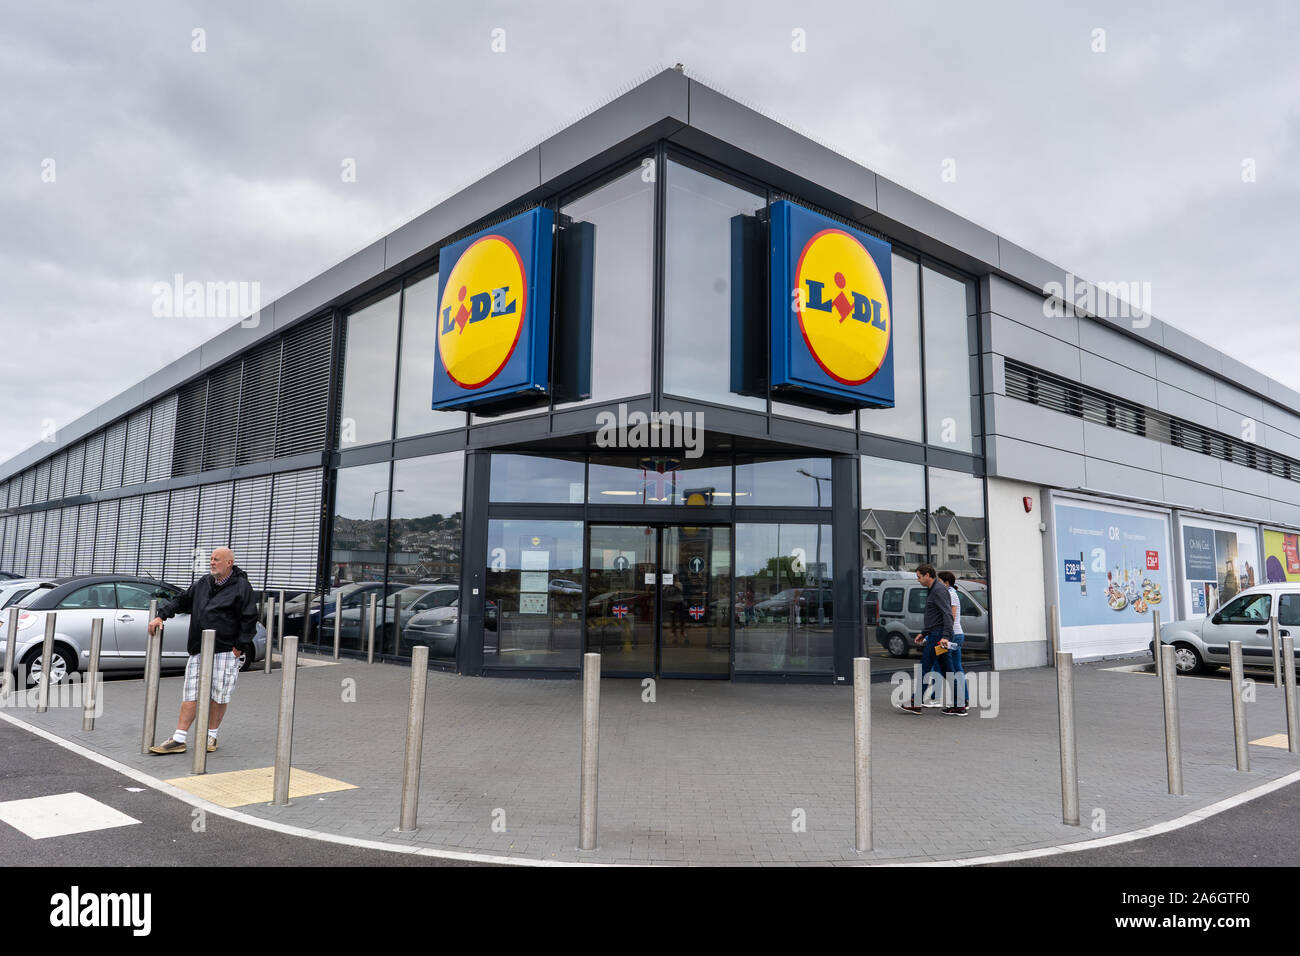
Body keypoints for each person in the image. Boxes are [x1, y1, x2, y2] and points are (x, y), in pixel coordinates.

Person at [147, 547, 258, 755]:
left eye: (217, 559)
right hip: (199, 648)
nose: (212, 562)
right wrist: (162, 615)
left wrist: (238, 648)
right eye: (211, 559)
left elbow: (249, 618)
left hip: (225, 649)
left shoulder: (242, 587)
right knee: (191, 692)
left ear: (229, 563)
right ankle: (179, 738)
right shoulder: (204, 583)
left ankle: (211, 735)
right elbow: (181, 600)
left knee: (219, 694)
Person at [899, 564, 952, 715]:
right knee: (946, 668)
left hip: (938, 637)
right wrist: (924, 632)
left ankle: (916, 703)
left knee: (925, 667)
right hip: (935, 634)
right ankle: (960, 703)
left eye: (919, 577)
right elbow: (935, 616)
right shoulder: (933, 590)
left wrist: (945, 637)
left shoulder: (938, 590)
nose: (918, 580)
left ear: (928, 575)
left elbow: (947, 614)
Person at [937, 570, 968, 715]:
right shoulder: (952, 593)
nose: (937, 583)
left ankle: (958, 703)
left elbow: (952, 616)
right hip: (957, 634)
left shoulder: (950, 594)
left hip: (952, 636)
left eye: (939, 581)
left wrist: (945, 634)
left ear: (946, 582)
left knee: (948, 668)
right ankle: (963, 700)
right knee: (956, 668)